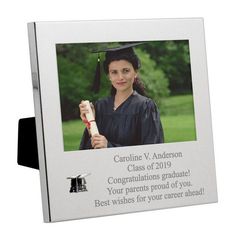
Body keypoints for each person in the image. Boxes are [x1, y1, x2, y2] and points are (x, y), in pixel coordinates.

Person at [79, 43, 164, 149]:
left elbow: (152, 152)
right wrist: (90, 124)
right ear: (109, 76)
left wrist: (109, 146)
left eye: (126, 71)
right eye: (114, 72)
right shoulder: (100, 106)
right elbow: (89, 150)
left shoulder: (145, 107)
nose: (120, 77)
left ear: (135, 72)